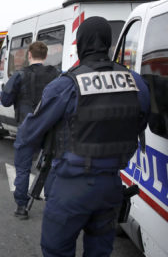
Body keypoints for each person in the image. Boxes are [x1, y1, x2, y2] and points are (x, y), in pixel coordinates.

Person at [14, 17, 150, 256]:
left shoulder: (65, 85)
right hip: (111, 186)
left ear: (80, 44)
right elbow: (140, 121)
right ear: (109, 43)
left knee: (56, 250)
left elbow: (28, 134)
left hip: (70, 186)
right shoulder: (134, 81)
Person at [0, 41, 60, 219]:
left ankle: (21, 207)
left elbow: (5, 101)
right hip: (50, 127)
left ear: (29, 55)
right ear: (46, 55)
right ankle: (52, 204)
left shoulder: (20, 75)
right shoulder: (56, 74)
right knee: (50, 166)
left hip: (27, 127)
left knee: (23, 168)